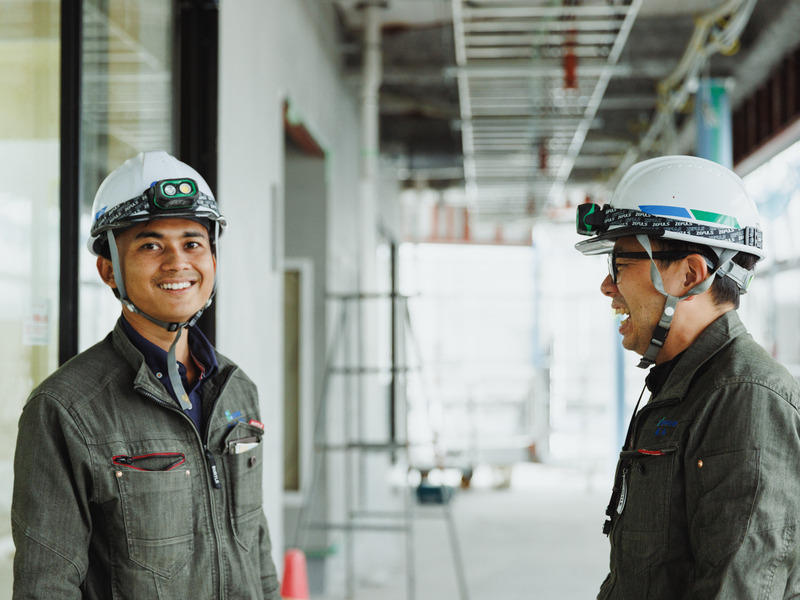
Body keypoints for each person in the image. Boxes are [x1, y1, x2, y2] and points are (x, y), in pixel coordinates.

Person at [11, 151, 281, 599]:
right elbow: (45, 587)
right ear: (109, 270)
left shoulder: (237, 389)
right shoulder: (66, 410)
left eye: (193, 243)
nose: (178, 262)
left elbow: (256, 552)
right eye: (151, 245)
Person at [575, 155, 800, 598]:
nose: (607, 286)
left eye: (620, 263)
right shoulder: (684, 387)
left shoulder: (745, 399)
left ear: (691, 274)